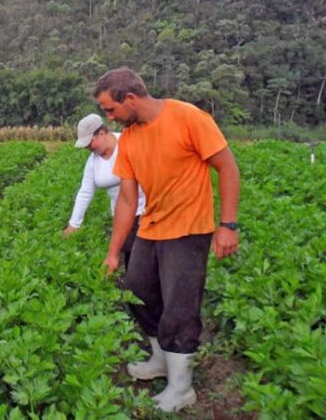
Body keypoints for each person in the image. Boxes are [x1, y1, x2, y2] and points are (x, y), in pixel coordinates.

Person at [95, 67, 240, 413]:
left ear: (130, 98)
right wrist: (114, 252)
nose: (109, 118)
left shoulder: (188, 117)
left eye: (110, 110)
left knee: (180, 305)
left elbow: (228, 167)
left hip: (190, 229)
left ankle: (181, 387)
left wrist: (228, 225)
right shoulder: (129, 139)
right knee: (136, 291)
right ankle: (161, 359)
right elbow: (128, 200)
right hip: (151, 226)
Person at [63, 114, 145, 269]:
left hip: (146, 211)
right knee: (129, 256)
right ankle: (129, 287)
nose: (88, 148)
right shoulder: (93, 161)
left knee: (144, 259)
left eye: (90, 143)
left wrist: (151, 209)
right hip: (121, 214)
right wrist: (74, 224)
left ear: (101, 133)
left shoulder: (128, 144)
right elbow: (85, 192)